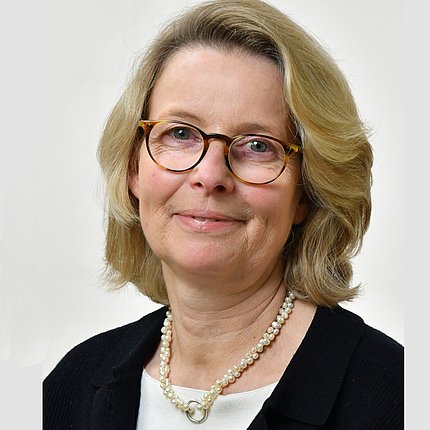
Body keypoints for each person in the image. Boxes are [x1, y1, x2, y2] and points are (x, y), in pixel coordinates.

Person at [43, 0, 403, 428]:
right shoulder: (70, 386)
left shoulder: (396, 397)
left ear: (307, 192)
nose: (210, 175)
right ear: (134, 168)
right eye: (179, 133)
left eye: (257, 145)